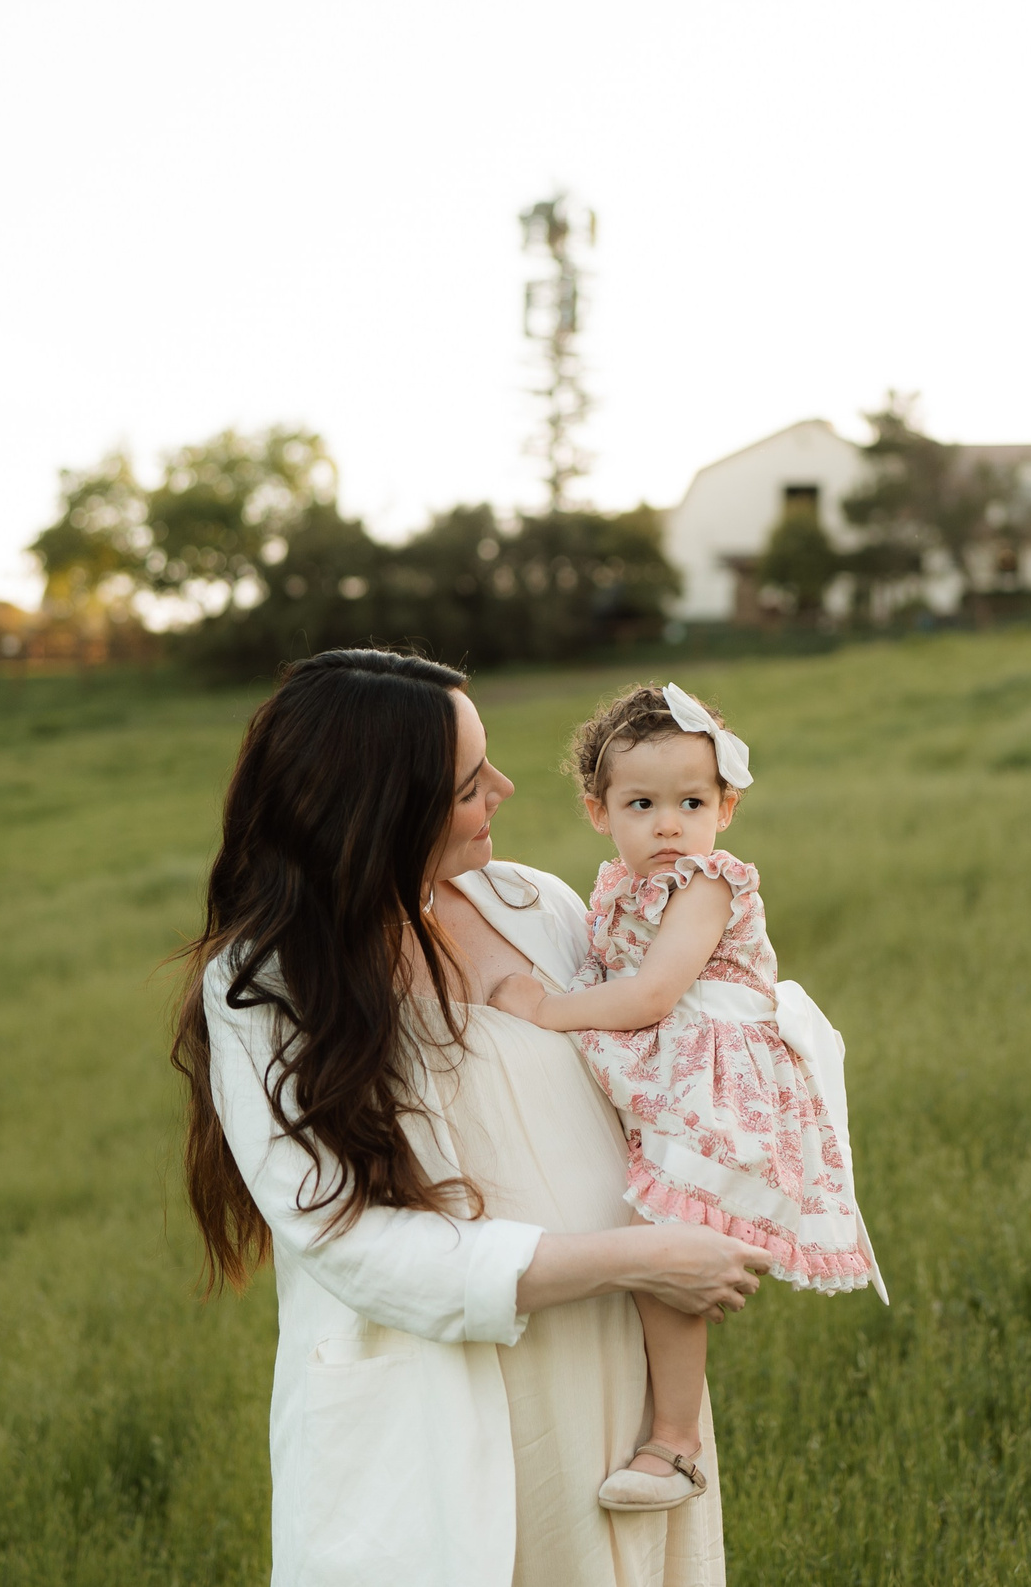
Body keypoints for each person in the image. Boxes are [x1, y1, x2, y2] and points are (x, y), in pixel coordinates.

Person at [170, 649, 770, 1587]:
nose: (505, 787)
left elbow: (664, 1067)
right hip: (438, 1405)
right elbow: (352, 1242)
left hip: (610, 1373)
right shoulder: (271, 988)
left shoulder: (541, 906)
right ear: (381, 810)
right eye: (466, 784)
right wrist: (642, 1258)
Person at [486, 682, 883, 1513]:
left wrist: (546, 1010)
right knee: (641, 1230)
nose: (668, 823)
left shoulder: (707, 883)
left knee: (661, 1241)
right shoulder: (616, 888)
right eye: (642, 802)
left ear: (725, 808)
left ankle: (675, 1442)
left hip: (719, 1077)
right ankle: (643, 1417)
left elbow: (653, 996)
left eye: (691, 800)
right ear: (599, 811)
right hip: (676, 1070)